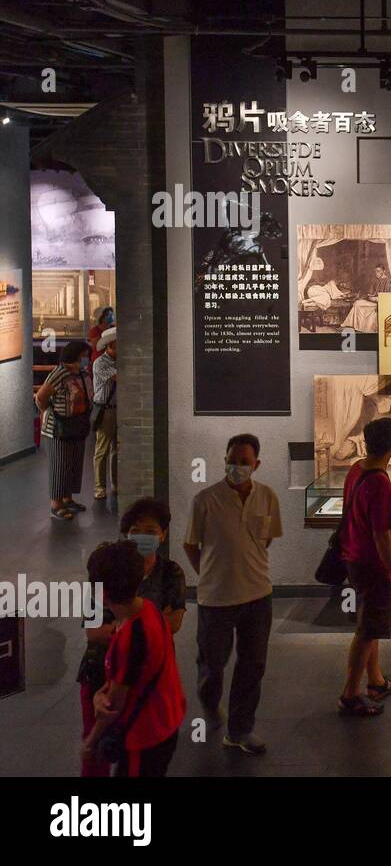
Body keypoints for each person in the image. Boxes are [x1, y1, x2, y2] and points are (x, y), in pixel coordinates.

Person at [183, 433, 282, 755]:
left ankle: (240, 730)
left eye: (244, 462)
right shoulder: (205, 500)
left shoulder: (267, 497)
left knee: (253, 665)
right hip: (215, 599)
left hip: (258, 594)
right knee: (212, 664)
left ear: (257, 464)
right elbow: (190, 544)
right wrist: (210, 574)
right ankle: (210, 707)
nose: (236, 467)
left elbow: (265, 540)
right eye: (231, 460)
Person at [77, 498, 186, 776]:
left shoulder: (131, 635)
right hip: (110, 678)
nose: (143, 537)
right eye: (136, 529)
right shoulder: (149, 609)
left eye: (150, 530)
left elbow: (116, 701)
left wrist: (90, 743)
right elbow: (92, 631)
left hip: (142, 727)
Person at [338, 417, 391, 717]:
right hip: (374, 566)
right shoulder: (379, 483)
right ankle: (350, 692)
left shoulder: (357, 470)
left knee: (370, 622)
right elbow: (382, 537)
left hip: (355, 558)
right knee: (368, 629)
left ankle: (376, 681)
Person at [36, 340, 93, 521]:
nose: (85, 359)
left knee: (74, 463)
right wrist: (49, 411)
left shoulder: (82, 374)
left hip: (77, 425)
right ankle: (56, 504)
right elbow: (41, 397)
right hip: (58, 428)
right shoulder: (59, 374)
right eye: (83, 355)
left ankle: (68, 498)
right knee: (60, 465)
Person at [91, 327, 118, 501]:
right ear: (110, 345)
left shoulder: (118, 361)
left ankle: (116, 483)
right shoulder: (100, 363)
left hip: (118, 409)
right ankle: (99, 487)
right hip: (105, 409)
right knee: (102, 450)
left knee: (116, 450)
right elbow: (120, 377)